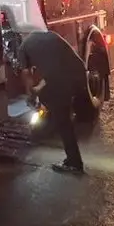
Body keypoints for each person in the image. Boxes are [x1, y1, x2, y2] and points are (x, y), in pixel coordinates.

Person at [17, 28, 89, 174]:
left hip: (63, 80)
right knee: (56, 107)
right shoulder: (48, 35)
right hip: (80, 73)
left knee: (63, 121)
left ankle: (75, 164)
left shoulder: (23, 48)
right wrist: (39, 90)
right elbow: (53, 71)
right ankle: (71, 159)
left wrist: (31, 95)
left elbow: (26, 76)